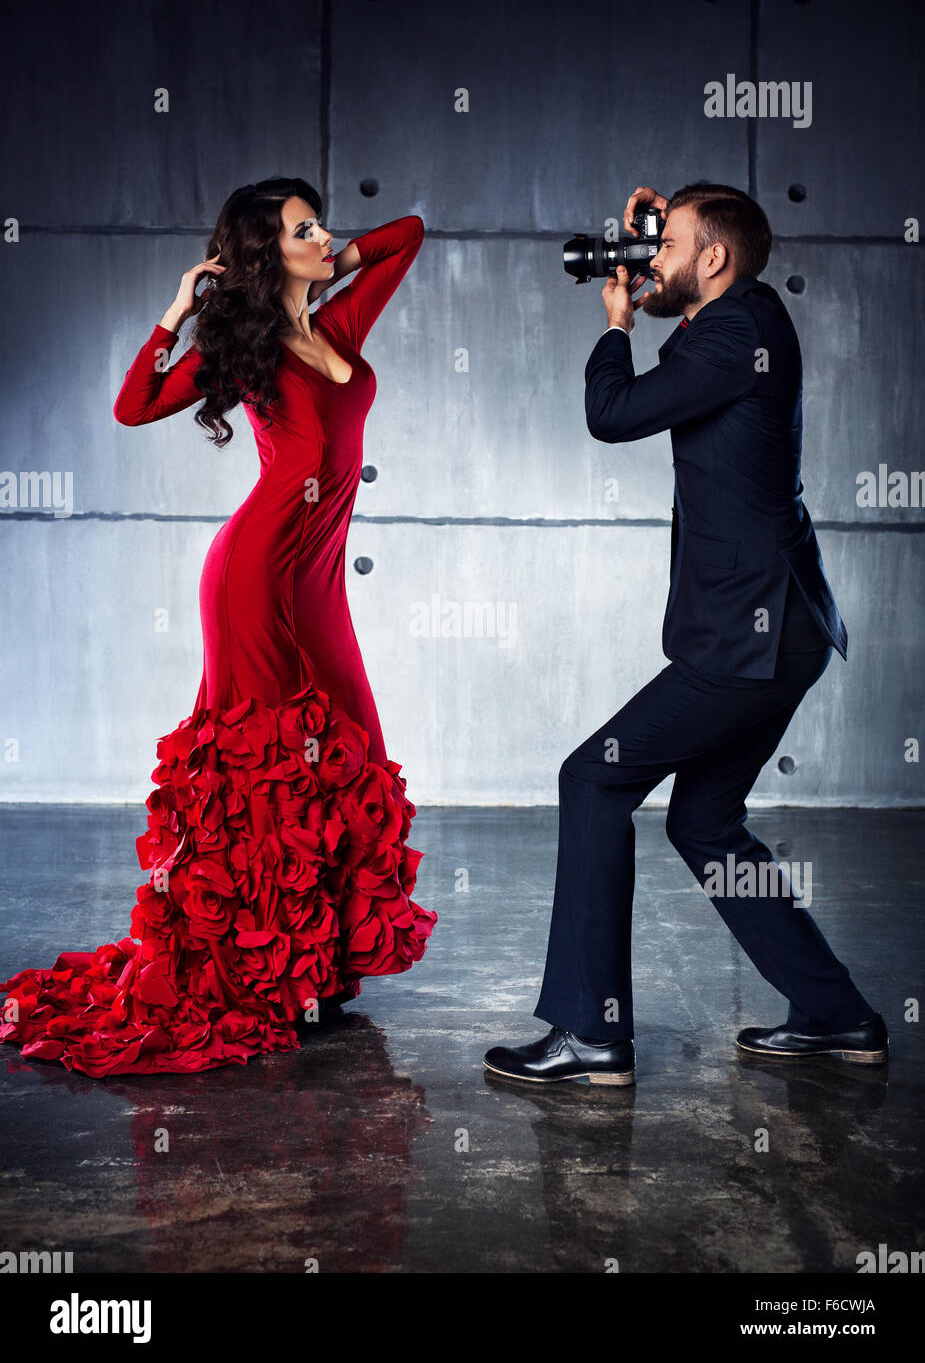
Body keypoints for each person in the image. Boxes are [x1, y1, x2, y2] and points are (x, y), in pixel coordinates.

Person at [0, 177, 436, 1077]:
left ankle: (316, 965)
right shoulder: (249, 347)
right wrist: (173, 313)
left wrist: (323, 260)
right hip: (253, 575)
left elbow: (408, 233)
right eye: (299, 230)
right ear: (260, 250)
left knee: (348, 746)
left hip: (316, 578)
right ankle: (260, 975)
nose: (323, 235)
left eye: (317, 222)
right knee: (262, 769)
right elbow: (133, 406)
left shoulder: (337, 328)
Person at [484, 181, 887, 1087]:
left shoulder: (739, 328)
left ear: (715, 260)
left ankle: (592, 1036)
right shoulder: (736, 326)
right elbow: (683, 347)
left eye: (668, 247)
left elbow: (613, 413)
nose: (643, 262)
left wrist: (618, 323)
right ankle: (835, 1015)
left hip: (751, 638)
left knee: (590, 780)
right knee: (704, 821)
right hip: (779, 630)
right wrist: (659, 247)